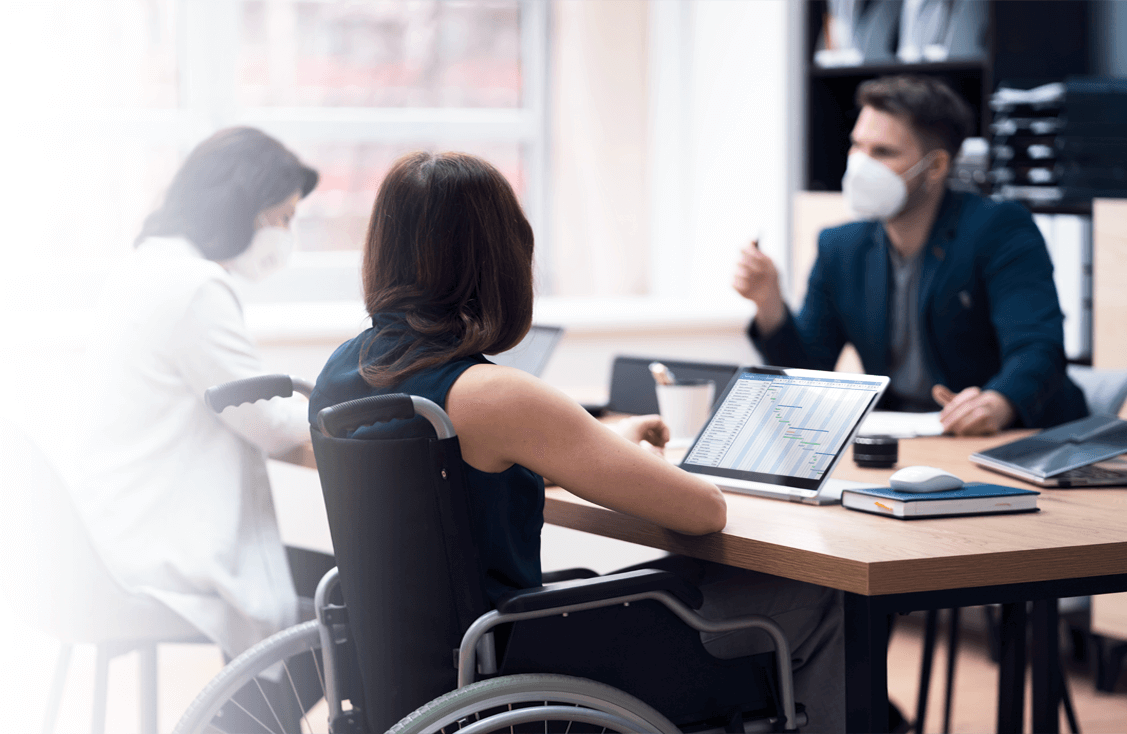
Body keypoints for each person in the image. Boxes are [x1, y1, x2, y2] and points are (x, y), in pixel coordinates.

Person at [310, 151, 845, 732]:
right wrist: (639, 460)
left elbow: (453, 487)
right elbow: (704, 511)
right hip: (521, 669)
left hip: (425, 671)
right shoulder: (492, 394)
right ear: (502, 260)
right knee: (823, 597)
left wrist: (601, 444)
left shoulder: (342, 375)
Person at [69, 127, 329, 668]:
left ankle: (240, 720)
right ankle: (239, 722)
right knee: (360, 601)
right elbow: (269, 423)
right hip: (163, 549)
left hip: (114, 538)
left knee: (336, 595)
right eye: (280, 218)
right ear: (240, 209)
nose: (285, 235)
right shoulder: (194, 288)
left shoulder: (143, 270)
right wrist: (352, 409)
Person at [734, 74, 1086, 435]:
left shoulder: (1000, 228)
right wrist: (769, 303)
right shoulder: (839, 246)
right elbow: (809, 371)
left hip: (1011, 439)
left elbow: (1038, 348)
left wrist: (997, 403)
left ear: (936, 167)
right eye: (857, 146)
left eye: (883, 152)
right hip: (906, 440)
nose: (860, 164)